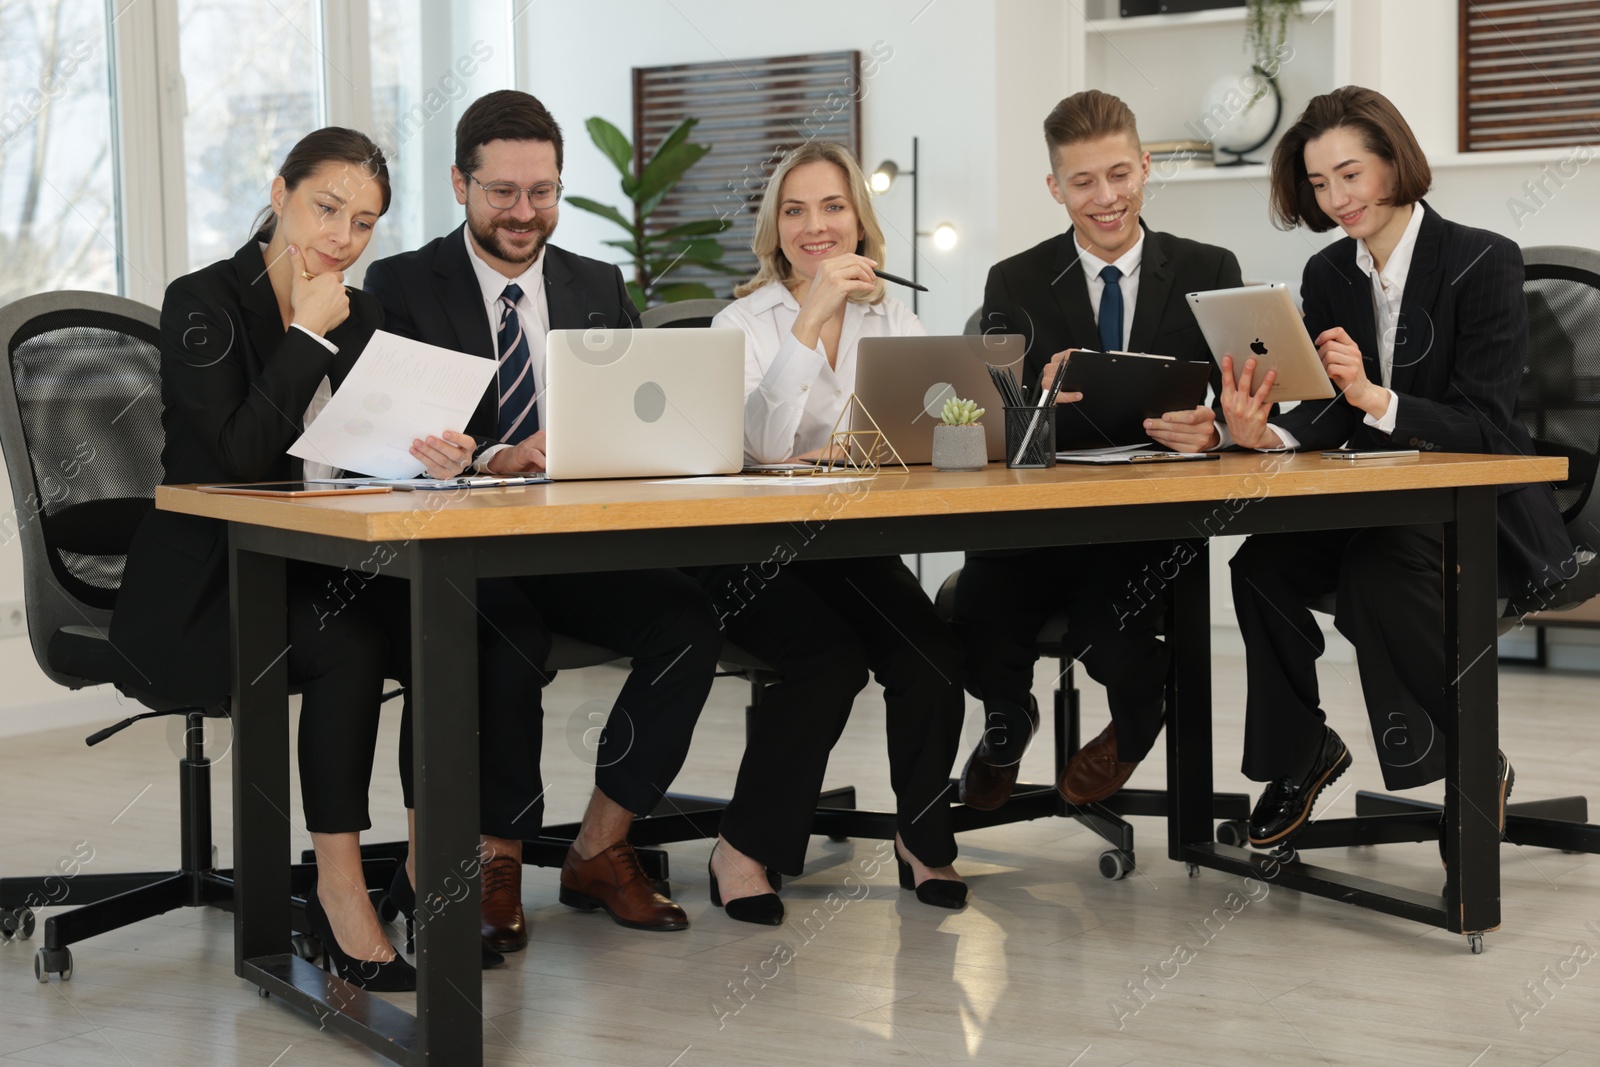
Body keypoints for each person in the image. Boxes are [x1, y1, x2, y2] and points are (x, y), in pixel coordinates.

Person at [111, 128, 486, 991]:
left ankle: (429, 881)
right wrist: (308, 336)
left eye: (364, 223)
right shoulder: (200, 302)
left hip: (317, 568)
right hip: (204, 591)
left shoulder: (368, 317)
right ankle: (340, 894)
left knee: (459, 619)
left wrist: (432, 455)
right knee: (346, 643)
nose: (341, 239)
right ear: (279, 193)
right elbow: (238, 459)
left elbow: (362, 457)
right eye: (326, 208)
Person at [364, 90, 721, 940]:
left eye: (544, 192)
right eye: (503, 193)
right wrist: (493, 454)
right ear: (460, 184)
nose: (527, 214)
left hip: (568, 541)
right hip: (461, 552)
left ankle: (601, 844)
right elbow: (383, 435)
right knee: (510, 642)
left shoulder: (596, 284)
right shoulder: (404, 284)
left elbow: (640, 415)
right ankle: (498, 858)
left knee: (689, 622)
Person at [1217, 86, 1574, 848]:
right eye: (1319, 183)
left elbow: (1484, 425)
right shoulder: (1328, 274)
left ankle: (1475, 760)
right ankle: (1299, 754)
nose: (1337, 198)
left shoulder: (1483, 261)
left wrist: (1376, 396)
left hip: (1476, 507)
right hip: (1378, 500)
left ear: (1393, 163)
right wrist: (1267, 434)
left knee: (1376, 569)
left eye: (1351, 174)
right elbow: (1325, 410)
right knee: (1260, 568)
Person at [696, 140, 967, 926]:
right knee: (828, 662)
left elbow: (922, 432)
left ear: (858, 219)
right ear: (774, 226)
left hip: (849, 545)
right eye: (796, 209)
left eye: (833, 207)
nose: (815, 226)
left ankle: (923, 837)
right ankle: (742, 847)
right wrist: (810, 318)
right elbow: (766, 445)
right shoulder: (741, 321)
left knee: (933, 654)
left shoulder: (895, 313)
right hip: (752, 552)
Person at [953, 90, 1243, 813]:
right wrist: (1034, 405)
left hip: (1144, 524)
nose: (1106, 198)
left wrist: (1216, 430)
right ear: (1056, 188)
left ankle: (1139, 723)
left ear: (1144, 168)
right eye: (1083, 182)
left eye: (1119, 174)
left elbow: (1247, 403)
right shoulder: (1014, 281)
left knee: (1111, 629)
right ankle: (1005, 730)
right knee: (975, 609)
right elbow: (990, 430)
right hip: (1038, 521)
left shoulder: (1211, 267)